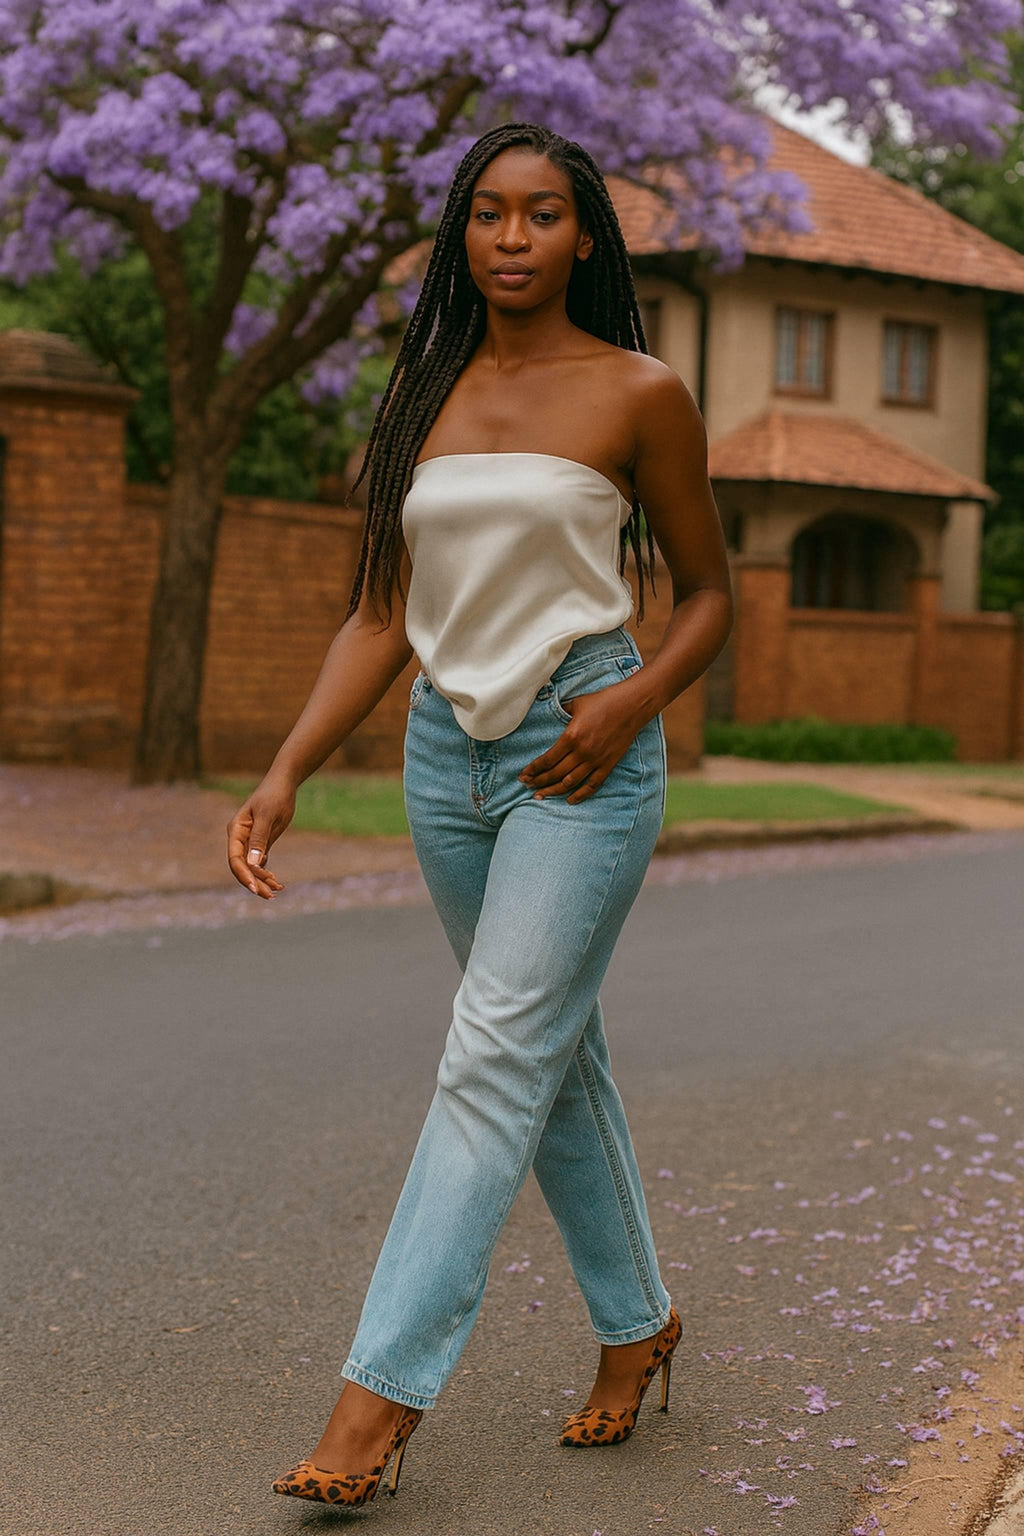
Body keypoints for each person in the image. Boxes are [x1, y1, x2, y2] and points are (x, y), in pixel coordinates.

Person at [226, 120, 733, 1509]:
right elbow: (382, 613)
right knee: (545, 1055)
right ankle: (639, 1324)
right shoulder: (422, 397)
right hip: (444, 760)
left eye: (544, 213)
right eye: (491, 213)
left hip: (583, 749)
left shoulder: (640, 392)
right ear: (463, 233)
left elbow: (710, 596)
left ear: (584, 237)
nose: (514, 237)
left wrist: (631, 703)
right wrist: (286, 769)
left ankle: (374, 1404)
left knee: (493, 1056)